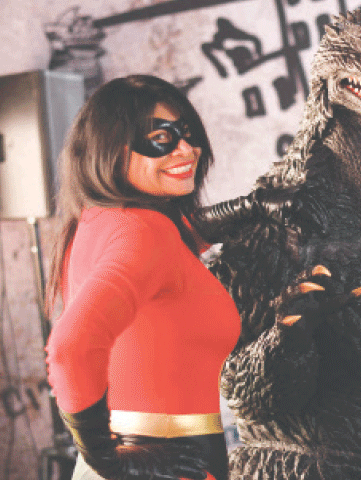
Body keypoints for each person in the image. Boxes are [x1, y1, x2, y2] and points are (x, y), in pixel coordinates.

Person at [44, 74, 241, 480]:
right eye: (161, 139)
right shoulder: (144, 232)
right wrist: (109, 460)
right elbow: (69, 349)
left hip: (146, 457)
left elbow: (176, 256)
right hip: (168, 462)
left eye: (187, 134)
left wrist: (251, 208)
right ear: (113, 151)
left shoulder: (97, 221)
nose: (186, 150)